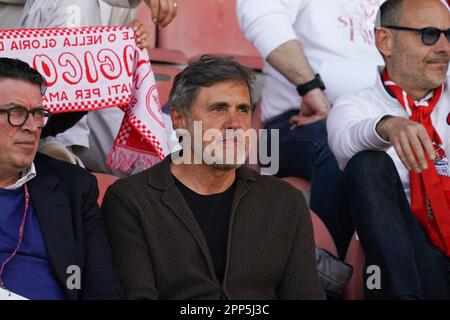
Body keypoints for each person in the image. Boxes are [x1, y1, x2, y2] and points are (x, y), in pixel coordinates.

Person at [101, 55, 325, 300]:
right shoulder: (131, 200)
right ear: (179, 119)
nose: (235, 124)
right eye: (218, 109)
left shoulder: (284, 201)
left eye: (243, 109)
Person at [236, 0, 385, 257]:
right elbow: (259, 9)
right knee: (341, 148)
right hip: (295, 122)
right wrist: (309, 87)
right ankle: (330, 274)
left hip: (381, 120)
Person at [327, 0, 450, 299]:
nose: (445, 46)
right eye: (430, 34)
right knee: (367, 163)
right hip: (416, 258)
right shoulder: (356, 105)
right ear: (386, 41)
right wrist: (387, 126)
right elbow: (344, 141)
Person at [0, 57, 122, 300]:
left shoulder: (74, 187)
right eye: (16, 113)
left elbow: (102, 285)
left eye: (38, 113)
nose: (32, 126)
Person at [19, 0, 177, 175]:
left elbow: (103, 60)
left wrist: (123, 39)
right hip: (30, 94)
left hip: (94, 96)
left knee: (175, 147)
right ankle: (57, 150)